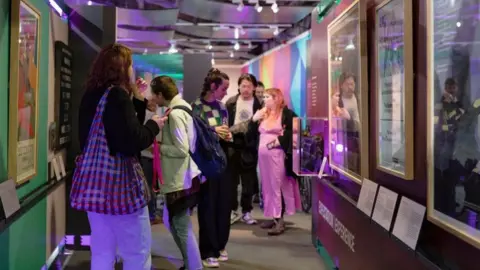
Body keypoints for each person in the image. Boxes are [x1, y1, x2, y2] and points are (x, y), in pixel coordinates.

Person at [72, 43, 166, 270]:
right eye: (131, 65)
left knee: (102, 251)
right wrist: (154, 125)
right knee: (136, 252)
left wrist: (136, 97)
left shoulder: (91, 95)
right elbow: (132, 140)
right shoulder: (117, 96)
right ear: (122, 68)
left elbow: (112, 129)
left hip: (94, 187)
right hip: (120, 188)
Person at [150, 75, 203, 270]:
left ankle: (194, 266)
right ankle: (191, 264)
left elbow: (182, 149)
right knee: (174, 221)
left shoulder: (175, 114)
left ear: (161, 94)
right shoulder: (184, 108)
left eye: (154, 94)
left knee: (181, 226)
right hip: (184, 177)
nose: (153, 99)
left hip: (180, 180)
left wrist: (157, 147)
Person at [192, 68, 232, 268]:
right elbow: (196, 137)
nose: (226, 92)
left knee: (223, 206)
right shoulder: (196, 107)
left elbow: (224, 131)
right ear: (213, 86)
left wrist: (227, 135)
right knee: (207, 207)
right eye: (224, 88)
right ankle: (207, 250)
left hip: (222, 161)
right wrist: (214, 131)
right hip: (205, 164)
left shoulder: (223, 107)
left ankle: (220, 245)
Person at [250, 88, 301, 235]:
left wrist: (277, 142)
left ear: (276, 98)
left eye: (268, 97)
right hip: (263, 157)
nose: (264, 99)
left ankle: (280, 219)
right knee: (267, 185)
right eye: (264, 96)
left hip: (277, 155)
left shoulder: (286, 114)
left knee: (277, 185)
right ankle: (273, 215)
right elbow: (253, 131)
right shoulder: (264, 114)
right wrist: (255, 118)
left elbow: (294, 129)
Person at [225, 73, 262, 225]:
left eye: (249, 86)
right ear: (239, 86)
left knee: (248, 183)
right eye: (243, 86)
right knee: (231, 182)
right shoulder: (231, 103)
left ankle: (247, 211)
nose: (246, 89)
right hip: (232, 145)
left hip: (249, 146)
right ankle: (233, 211)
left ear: (254, 88)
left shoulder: (259, 105)